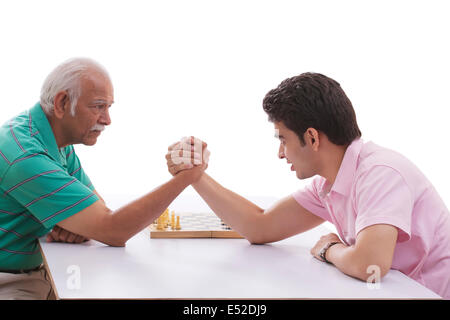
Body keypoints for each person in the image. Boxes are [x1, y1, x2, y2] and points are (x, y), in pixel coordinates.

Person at [166, 72, 450, 299]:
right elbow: (260, 226)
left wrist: (329, 250)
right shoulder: (329, 184)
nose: (280, 153)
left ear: (312, 138)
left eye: (282, 139)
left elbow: (369, 265)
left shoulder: (381, 174)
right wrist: (196, 176)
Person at [0, 58, 201, 299]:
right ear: (62, 103)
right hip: (11, 281)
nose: (107, 120)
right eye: (97, 107)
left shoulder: (51, 137)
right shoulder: (26, 156)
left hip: (40, 271)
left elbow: (98, 211)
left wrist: (86, 225)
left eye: (108, 107)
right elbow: (112, 229)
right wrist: (187, 176)